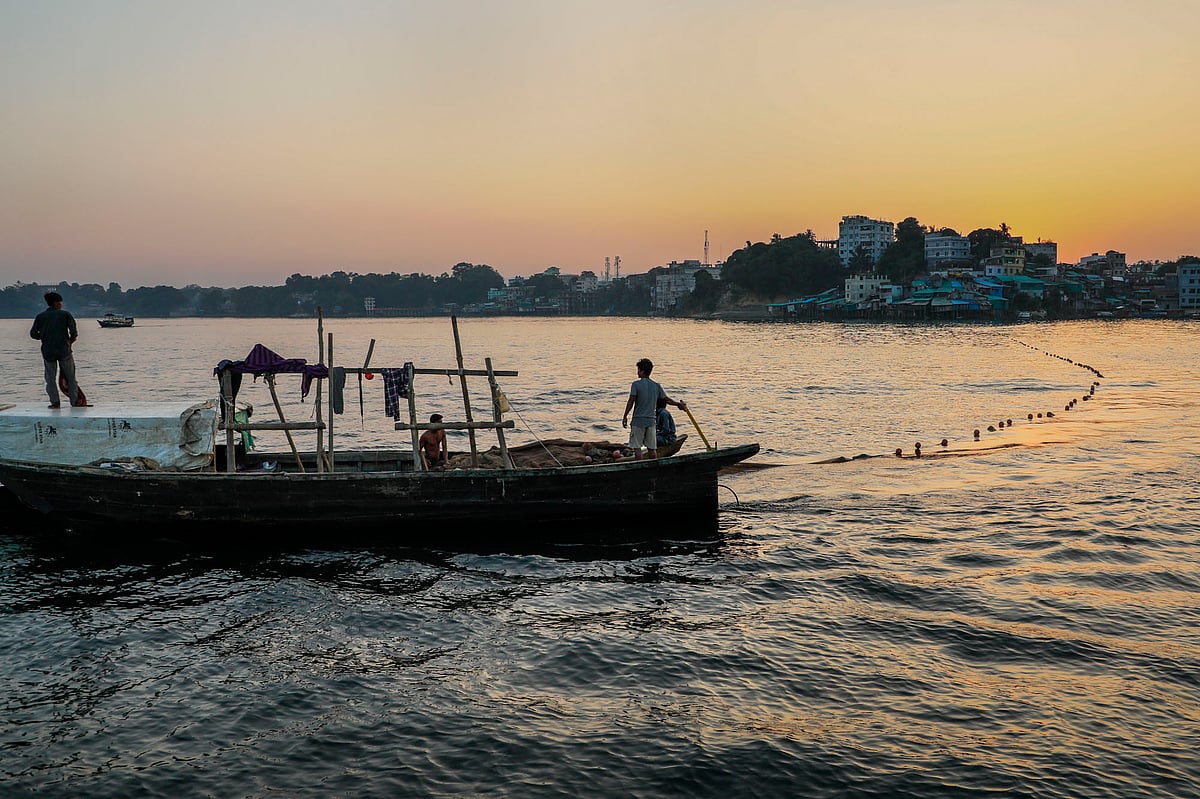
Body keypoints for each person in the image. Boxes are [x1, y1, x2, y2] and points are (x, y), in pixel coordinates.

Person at [621, 357, 686, 460]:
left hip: (638, 421)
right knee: (652, 448)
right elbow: (667, 400)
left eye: (638, 370)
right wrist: (678, 404)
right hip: (651, 421)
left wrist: (625, 416)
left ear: (642, 371)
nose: (637, 372)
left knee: (637, 447)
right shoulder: (656, 386)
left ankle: (640, 468)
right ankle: (655, 467)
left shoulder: (636, 385)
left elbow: (631, 401)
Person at [29, 291, 79, 408]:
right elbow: (74, 333)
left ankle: (55, 403)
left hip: (48, 351)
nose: (61, 304)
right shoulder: (65, 315)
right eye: (60, 302)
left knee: (50, 378)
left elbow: (33, 334)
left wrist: (43, 337)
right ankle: (74, 401)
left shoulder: (40, 317)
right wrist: (69, 342)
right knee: (70, 377)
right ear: (56, 303)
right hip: (64, 351)